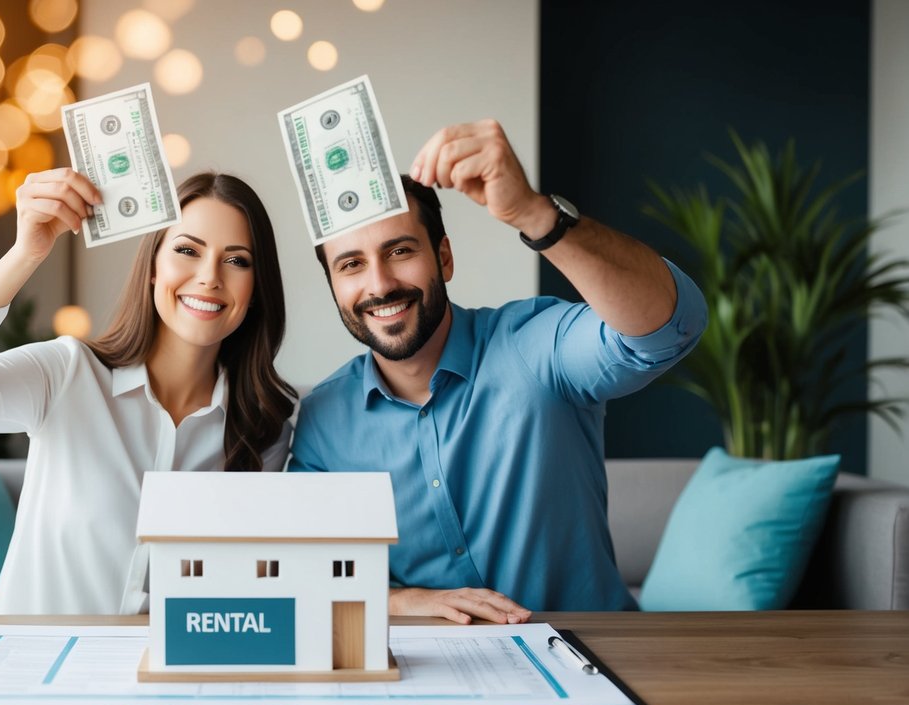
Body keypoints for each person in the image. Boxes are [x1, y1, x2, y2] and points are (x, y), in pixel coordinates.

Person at [288, 119, 707, 622]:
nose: (379, 284)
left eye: (400, 251)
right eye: (351, 265)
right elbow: (307, 571)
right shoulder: (322, 421)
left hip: (597, 657)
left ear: (443, 258)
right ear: (334, 286)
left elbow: (669, 328)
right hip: (435, 676)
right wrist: (403, 600)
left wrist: (535, 214)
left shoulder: (532, 345)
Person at [0, 169, 295, 615]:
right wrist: (24, 254)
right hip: (28, 670)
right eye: (187, 250)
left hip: (161, 676)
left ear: (257, 288)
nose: (209, 277)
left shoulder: (265, 430)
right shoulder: (67, 372)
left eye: (237, 260)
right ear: (151, 268)